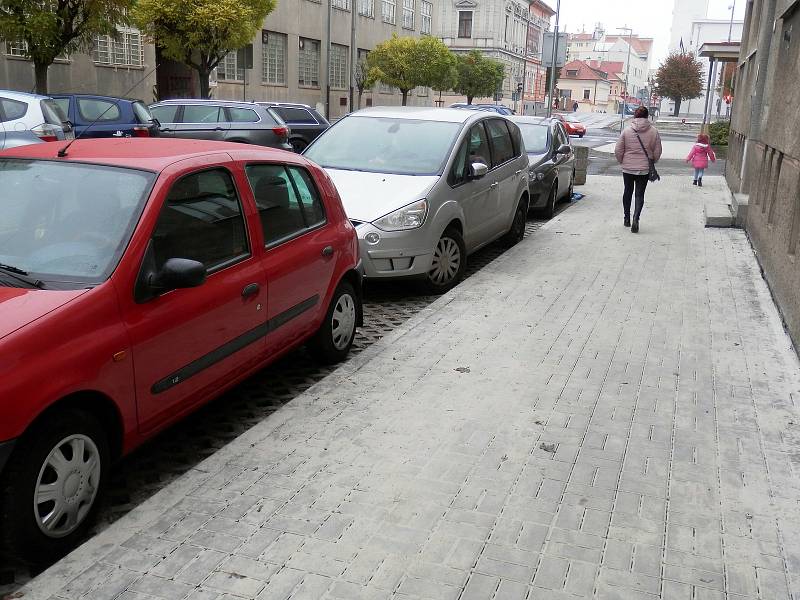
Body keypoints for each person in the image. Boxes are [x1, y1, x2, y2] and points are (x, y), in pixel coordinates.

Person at [614, 106, 662, 233]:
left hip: (628, 168)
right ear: (647, 116)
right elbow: (657, 151)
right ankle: (636, 218)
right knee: (639, 194)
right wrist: (653, 161)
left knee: (627, 191)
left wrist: (622, 161)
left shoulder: (627, 131)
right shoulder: (653, 131)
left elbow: (618, 150)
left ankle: (626, 218)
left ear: (635, 116)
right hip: (644, 168)